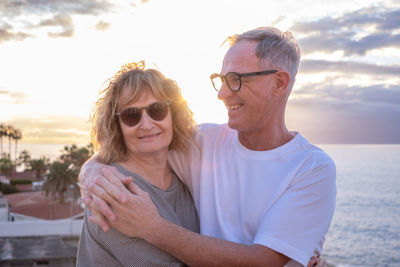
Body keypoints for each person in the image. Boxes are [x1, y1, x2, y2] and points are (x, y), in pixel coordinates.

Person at [81, 27, 336, 267]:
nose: (222, 93)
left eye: (236, 79)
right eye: (222, 79)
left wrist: (153, 227)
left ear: (279, 83)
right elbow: (134, 145)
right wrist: (90, 171)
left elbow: (262, 261)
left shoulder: (311, 169)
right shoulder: (202, 143)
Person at [76, 61, 200, 266]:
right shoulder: (114, 192)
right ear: (117, 126)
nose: (147, 124)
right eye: (131, 115)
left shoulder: (184, 176)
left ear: (173, 114)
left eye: (157, 110)